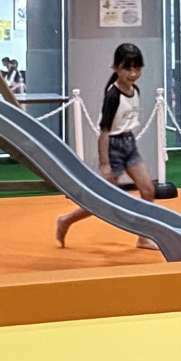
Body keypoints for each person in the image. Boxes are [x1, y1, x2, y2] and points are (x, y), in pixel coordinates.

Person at [56, 43, 158, 249]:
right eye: (127, 68)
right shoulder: (113, 96)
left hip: (129, 143)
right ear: (116, 68)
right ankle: (66, 220)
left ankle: (143, 236)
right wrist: (105, 163)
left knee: (148, 190)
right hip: (113, 147)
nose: (133, 73)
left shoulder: (135, 90)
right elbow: (103, 132)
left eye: (137, 68)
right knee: (104, 199)